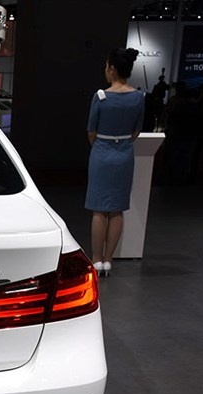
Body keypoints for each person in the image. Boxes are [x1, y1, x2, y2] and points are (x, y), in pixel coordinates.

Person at [85, 48, 145, 277]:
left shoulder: (101, 96)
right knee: (117, 209)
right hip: (125, 154)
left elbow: (91, 131)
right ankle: (108, 261)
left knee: (99, 210)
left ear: (112, 69)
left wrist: (102, 146)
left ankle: (96, 259)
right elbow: (136, 131)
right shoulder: (138, 97)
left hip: (101, 152)